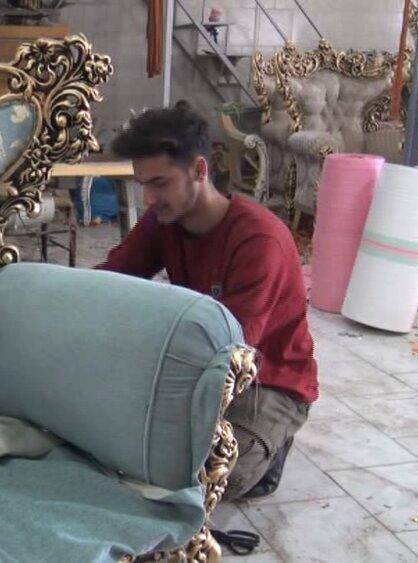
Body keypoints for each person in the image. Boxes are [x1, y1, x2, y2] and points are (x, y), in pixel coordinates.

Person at [96, 102, 318, 500]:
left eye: (160, 183)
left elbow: (233, 350)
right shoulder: (163, 221)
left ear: (199, 170)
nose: (149, 197)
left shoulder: (258, 240)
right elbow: (111, 280)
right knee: (114, 444)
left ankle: (274, 441)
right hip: (205, 358)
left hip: (267, 379)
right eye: (143, 184)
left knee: (206, 481)